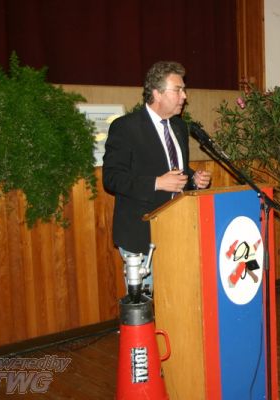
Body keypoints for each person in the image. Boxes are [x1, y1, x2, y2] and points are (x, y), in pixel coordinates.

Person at [103, 61, 211, 294]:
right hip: (140, 235)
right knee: (145, 306)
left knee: (177, 299)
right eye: (178, 90)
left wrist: (194, 179)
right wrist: (157, 183)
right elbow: (112, 178)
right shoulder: (126, 127)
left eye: (184, 90)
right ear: (157, 93)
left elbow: (175, 170)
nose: (185, 96)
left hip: (177, 229)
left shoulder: (179, 127)